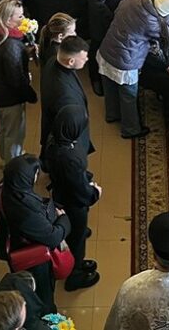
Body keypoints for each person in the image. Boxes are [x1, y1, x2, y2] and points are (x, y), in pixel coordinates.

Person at [97, 0, 169, 139]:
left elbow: (117, 11)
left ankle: (112, 114)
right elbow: (166, 34)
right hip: (126, 61)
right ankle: (131, 129)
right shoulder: (154, 23)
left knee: (109, 85)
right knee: (128, 95)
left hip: (107, 49)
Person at [0, 154, 69, 317]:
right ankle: (50, 320)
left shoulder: (6, 188)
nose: (37, 176)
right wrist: (64, 220)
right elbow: (52, 237)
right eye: (35, 173)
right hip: (34, 259)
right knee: (43, 297)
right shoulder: (25, 212)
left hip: (16, 244)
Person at [44, 105, 101, 291]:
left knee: (72, 233)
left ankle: (75, 262)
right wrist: (94, 192)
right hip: (74, 202)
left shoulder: (53, 141)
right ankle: (74, 274)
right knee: (77, 237)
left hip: (60, 195)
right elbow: (80, 190)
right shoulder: (70, 158)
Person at [0, 0, 38, 162]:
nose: (23, 19)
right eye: (20, 16)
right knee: (14, 134)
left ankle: (5, 158)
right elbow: (16, 79)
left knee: (4, 129)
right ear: (8, 19)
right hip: (10, 97)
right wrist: (30, 94)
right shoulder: (10, 46)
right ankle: (13, 166)